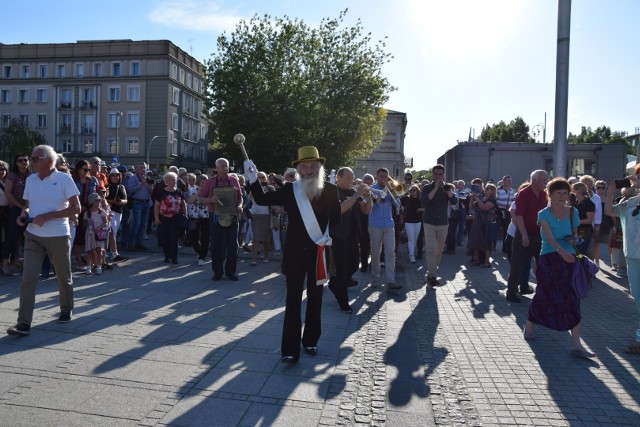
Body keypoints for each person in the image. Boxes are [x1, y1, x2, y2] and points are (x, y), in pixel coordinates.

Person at [244, 146, 341, 363]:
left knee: (316, 300)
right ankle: (289, 348)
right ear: (298, 169)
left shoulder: (331, 190)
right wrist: (252, 178)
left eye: (312, 166)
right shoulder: (290, 189)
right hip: (295, 252)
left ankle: (311, 341)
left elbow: (335, 222)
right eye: (304, 166)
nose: (308, 170)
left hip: (319, 251)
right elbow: (261, 199)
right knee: (293, 300)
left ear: (319, 167)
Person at [7, 145, 80, 336]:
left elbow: (76, 208)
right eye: (31, 158)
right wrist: (24, 214)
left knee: (63, 277)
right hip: (33, 235)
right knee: (28, 278)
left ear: (49, 160)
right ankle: (23, 323)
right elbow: (28, 205)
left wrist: (49, 216)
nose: (31, 162)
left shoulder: (64, 178)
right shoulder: (30, 180)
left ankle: (66, 308)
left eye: (34, 158)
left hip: (58, 235)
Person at [523, 178, 595, 358]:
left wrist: (572, 240)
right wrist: (561, 251)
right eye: (558, 193)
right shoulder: (543, 214)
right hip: (549, 257)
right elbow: (549, 238)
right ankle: (530, 325)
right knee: (544, 295)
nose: (562, 196)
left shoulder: (573, 212)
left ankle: (577, 345)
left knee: (573, 297)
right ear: (550, 195)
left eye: (565, 193)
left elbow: (573, 234)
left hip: (570, 258)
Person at [605, 166, 640, 354]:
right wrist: (611, 192)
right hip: (632, 256)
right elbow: (609, 210)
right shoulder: (631, 203)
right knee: (638, 299)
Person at [328, 167, 370, 313]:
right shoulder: (332, 191)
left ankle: (334, 285)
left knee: (354, 264)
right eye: (348, 178)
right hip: (337, 235)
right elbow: (338, 210)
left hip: (352, 235)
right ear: (338, 178)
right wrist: (356, 195)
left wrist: (368, 196)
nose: (351, 181)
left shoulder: (353, 192)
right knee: (342, 267)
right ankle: (343, 301)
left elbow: (366, 210)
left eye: (352, 178)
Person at [505, 170, 549, 303]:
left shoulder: (544, 194)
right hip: (524, 233)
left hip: (539, 234)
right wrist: (524, 236)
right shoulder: (523, 194)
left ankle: (543, 292)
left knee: (543, 264)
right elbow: (518, 216)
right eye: (544, 180)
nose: (546, 183)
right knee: (517, 265)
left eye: (546, 180)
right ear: (534, 180)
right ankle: (511, 292)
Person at [199, 158, 243, 281]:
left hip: (232, 215)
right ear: (216, 168)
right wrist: (211, 200)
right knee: (216, 244)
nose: (224, 168)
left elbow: (240, 198)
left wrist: (239, 206)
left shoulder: (234, 180)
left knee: (233, 245)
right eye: (222, 166)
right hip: (216, 215)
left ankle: (230, 272)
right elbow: (201, 198)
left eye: (226, 166)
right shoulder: (210, 182)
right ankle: (217, 272)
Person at [420, 164, 458, 286]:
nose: (438, 176)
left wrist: (449, 192)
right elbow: (424, 202)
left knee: (439, 251)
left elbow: (455, 202)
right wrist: (435, 188)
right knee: (430, 249)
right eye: (436, 174)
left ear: (443, 175)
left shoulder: (448, 187)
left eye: (440, 174)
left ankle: (431, 273)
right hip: (429, 223)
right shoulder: (427, 187)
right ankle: (432, 276)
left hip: (443, 224)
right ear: (432, 174)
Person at [369, 168, 403, 290]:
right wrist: (383, 191)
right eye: (381, 176)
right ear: (376, 176)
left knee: (390, 253)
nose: (383, 179)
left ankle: (391, 280)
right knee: (376, 253)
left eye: (385, 177)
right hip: (375, 224)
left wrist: (394, 193)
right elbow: (374, 203)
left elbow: (398, 205)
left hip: (389, 224)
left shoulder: (391, 189)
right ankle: (375, 279)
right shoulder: (372, 188)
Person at [2, 154, 31, 275]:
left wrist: (27, 207)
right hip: (15, 208)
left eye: (25, 160)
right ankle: (5, 265)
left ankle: (28, 265)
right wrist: (20, 207)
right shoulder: (12, 175)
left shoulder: (32, 176)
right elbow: (8, 193)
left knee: (28, 238)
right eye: (20, 161)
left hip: (30, 209)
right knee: (12, 236)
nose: (23, 162)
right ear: (16, 163)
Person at [154, 171, 187, 264]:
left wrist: (185, 214)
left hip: (175, 218)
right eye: (172, 180)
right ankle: (167, 256)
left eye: (175, 180)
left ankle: (174, 257)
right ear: (166, 181)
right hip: (163, 218)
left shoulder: (179, 191)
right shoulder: (161, 192)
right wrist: (156, 218)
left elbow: (183, 204)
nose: (174, 182)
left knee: (174, 238)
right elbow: (156, 206)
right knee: (165, 238)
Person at [71, 160, 98, 272]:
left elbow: (96, 196)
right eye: (84, 169)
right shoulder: (72, 180)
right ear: (78, 169)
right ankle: (79, 261)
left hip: (89, 212)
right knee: (78, 238)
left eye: (88, 169)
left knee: (89, 237)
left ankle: (89, 262)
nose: (87, 171)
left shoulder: (92, 180)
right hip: (76, 212)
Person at [468, 183, 497, 268]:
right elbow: (471, 207)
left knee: (485, 242)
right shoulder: (481, 197)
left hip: (486, 221)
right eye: (486, 188)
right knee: (475, 240)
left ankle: (487, 262)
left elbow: (484, 207)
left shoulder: (492, 200)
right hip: (477, 220)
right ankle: (476, 260)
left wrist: (476, 197)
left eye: (488, 188)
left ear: (492, 191)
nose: (486, 190)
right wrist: (471, 198)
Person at [126, 162, 153, 252]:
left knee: (144, 224)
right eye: (141, 168)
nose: (143, 169)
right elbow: (130, 190)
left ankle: (139, 243)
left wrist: (150, 186)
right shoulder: (132, 178)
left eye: (144, 168)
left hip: (146, 203)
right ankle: (131, 243)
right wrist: (140, 184)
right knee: (136, 223)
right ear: (136, 169)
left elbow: (151, 193)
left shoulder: (147, 178)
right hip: (137, 202)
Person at [186, 174, 210, 266]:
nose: (204, 184)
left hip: (206, 217)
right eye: (202, 182)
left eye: (206, 182)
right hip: (194, 217)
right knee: (193, 238)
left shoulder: (210, 191)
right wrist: (198, 192)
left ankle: (202, 257)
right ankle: (200, 252)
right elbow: (189, 201)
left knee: (205, 237)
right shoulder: (192, 190)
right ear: (198, 182)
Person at [105, 168, 128, 263]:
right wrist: (113, 201)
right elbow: (103, 199)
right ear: (109, 176)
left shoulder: (122, 187)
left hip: (119, 212)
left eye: (117, 175)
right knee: (111, 232)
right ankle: (115, 254)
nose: (115, 177)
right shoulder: (106, 186)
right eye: (113, 175)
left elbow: (126, 200)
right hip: (109, 211)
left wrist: (120, 201)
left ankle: (109, 253)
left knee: (113, 233)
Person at [83, 192, 109, 275]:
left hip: (99, 234)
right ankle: (88, 267)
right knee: (89, 250)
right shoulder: (87, 213)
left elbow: (106, 222)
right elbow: (84, 224)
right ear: (91, 202)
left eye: (99, 201)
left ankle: (99, 266)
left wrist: (99, 227)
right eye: (96, 201)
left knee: (99, 250)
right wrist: (88, 223)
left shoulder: (101, 212)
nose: (98, 203)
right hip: (89, 234)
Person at [571, 182, 595, 256]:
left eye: (573, 189)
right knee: (575, 252)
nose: (571, 191)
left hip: (584, 232)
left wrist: (575, 222)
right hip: (575, 231)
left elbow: (589, 220)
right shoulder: (575, 202)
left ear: (579, 190)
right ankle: (577, 266)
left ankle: (582, 266)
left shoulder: (589, 203)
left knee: (581, 252)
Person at [401, 184, 423, 262]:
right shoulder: (407, 199)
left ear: (417, 191)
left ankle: (411, 253)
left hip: (418, 221)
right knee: (411, 239)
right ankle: (411, 255)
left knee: (415, 239)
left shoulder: (420, 199)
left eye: (414, 190)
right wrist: (406, 190)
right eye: (411, 190)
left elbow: (424, 208)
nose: (413, 192)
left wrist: (421, 210)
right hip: (408, 221)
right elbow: (400, 199)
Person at [358, 173, 374, 272]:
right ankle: (364, 265)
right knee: (364, 245)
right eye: (366, 182)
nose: (368, 184)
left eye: (370, 182)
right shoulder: (358, 192)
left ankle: (373, 264)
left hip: (375, 222)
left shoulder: (376, 191)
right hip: (363, 222)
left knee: (375, 245)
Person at [496, 175, 516, 254]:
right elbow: (495, 200)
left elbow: (513, 201)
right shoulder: (498, 190)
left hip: (508, 212)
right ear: (503, 181)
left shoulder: (512, 191)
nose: (509, 182)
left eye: (510, 181)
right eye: (508, 181)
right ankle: (492, 247)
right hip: (499, 211)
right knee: (495, 228)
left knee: (506, 229)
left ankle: (505, 248)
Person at [0, 160, 10, 275]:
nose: (2, 171)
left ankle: (6, 262)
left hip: (8, 211)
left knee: (9, 237)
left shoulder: (8, 182)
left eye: (3, 169)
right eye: (0, 169)